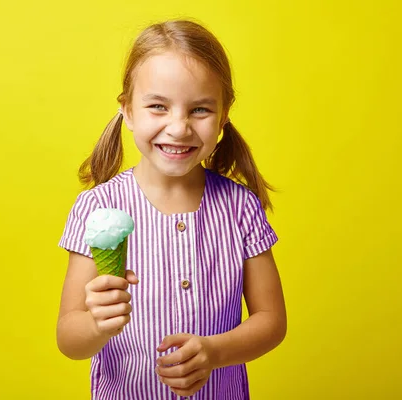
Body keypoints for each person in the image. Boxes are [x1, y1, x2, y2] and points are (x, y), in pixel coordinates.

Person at [56, 19, 287, 400]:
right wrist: (97, 324)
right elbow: (69, 339)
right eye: (158, 107)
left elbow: (272, 321)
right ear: (128, 111)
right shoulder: (97, 206)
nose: (178, 128)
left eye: (199, 109)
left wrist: (215, 353)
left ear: (223, 116)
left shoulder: (239, 207)